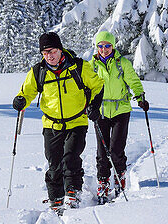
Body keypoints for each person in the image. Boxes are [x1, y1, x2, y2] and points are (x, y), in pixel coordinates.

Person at [12, 31, 104, 214]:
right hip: (51, 124)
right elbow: (27, 91)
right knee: (54, 162)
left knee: (70, 158)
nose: (49, 56)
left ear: (60, 50)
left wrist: (94, 105)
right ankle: (56, 198)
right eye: (45, 53)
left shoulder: (79, 67)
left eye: (52, 51)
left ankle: (73, 192)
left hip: (77, 121)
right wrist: (20, 100)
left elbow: (98, 85)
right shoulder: (38, 71)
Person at [89, 30, 148, 202]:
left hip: (121, 111)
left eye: (107, 46)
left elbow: (134, 82)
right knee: (102, 151)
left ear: (113, 46)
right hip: (100, 112)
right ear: (97, 47)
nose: (104, 49)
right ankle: (103, 182)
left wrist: (140, 98)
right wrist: (88, 105)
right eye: (101, 46)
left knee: (115, 150)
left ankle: (119, 177)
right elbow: (85, 88)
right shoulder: (91, 66)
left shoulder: (122, 63)